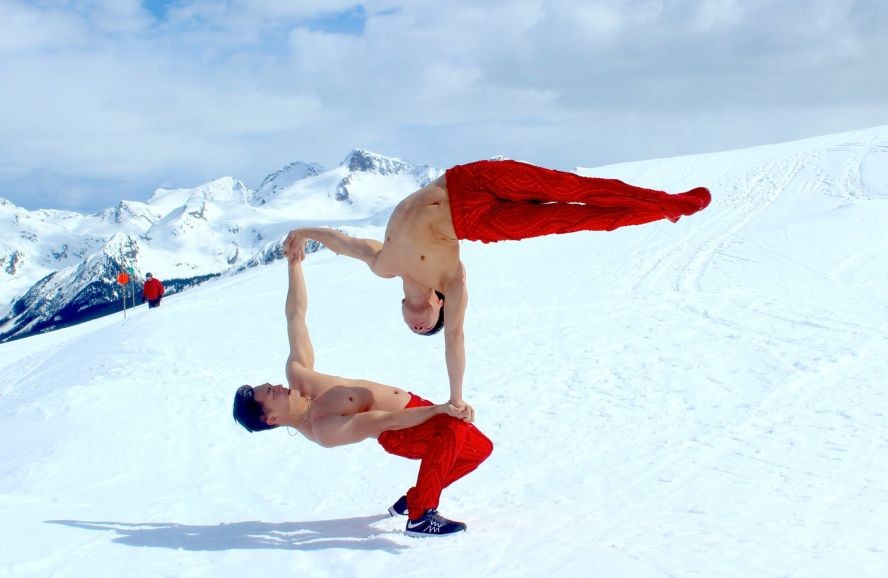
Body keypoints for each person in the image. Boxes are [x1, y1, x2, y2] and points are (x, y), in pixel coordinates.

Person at [284, 159, 711, 416]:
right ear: (437, 305)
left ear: (405, 307)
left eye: (413, 329)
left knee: (571, 188)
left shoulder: (382, 264)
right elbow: (455, 339)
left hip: (465, 181)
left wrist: (303, 231)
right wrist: (454, 397)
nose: (419, 326)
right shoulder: (450, 281)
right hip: (475, 222)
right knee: (571, 215)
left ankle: (665, 201)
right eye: (425, 328)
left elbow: (343, 242)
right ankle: (667, 208)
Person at [232, 236, 493, 537]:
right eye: (271, 394)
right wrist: (442, 410)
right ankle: (421, 516)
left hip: (414, 405)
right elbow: (387, 420)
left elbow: (296, 317)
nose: (278, 386)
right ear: (272, 419)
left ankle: (413, 499)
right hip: (403, 430)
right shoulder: (324, 429)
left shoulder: (299, 376)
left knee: (479, 449)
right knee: (453, 426)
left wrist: (294, 265)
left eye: (272, 385)